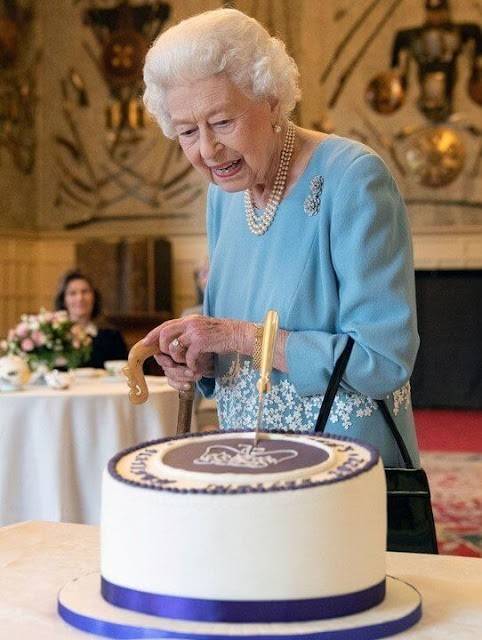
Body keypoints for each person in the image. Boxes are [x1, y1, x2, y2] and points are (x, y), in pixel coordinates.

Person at [142, 8, 420, 467]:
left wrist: (238, 336)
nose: (208, 150)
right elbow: (232, 338)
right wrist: (201, 356)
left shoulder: (352, 179)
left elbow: (383, 361)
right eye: (188, 132)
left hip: (340, 464)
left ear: (271, 99)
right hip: (247, 460)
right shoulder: (223, 196)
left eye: (223, 122)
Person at [54, 270, 128, 369]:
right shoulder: (55, 336)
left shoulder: (112, 336)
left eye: (85, 292)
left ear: (94, 297)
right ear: (63, 300)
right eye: (72, 293)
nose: (80, 298)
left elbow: (125, 370)